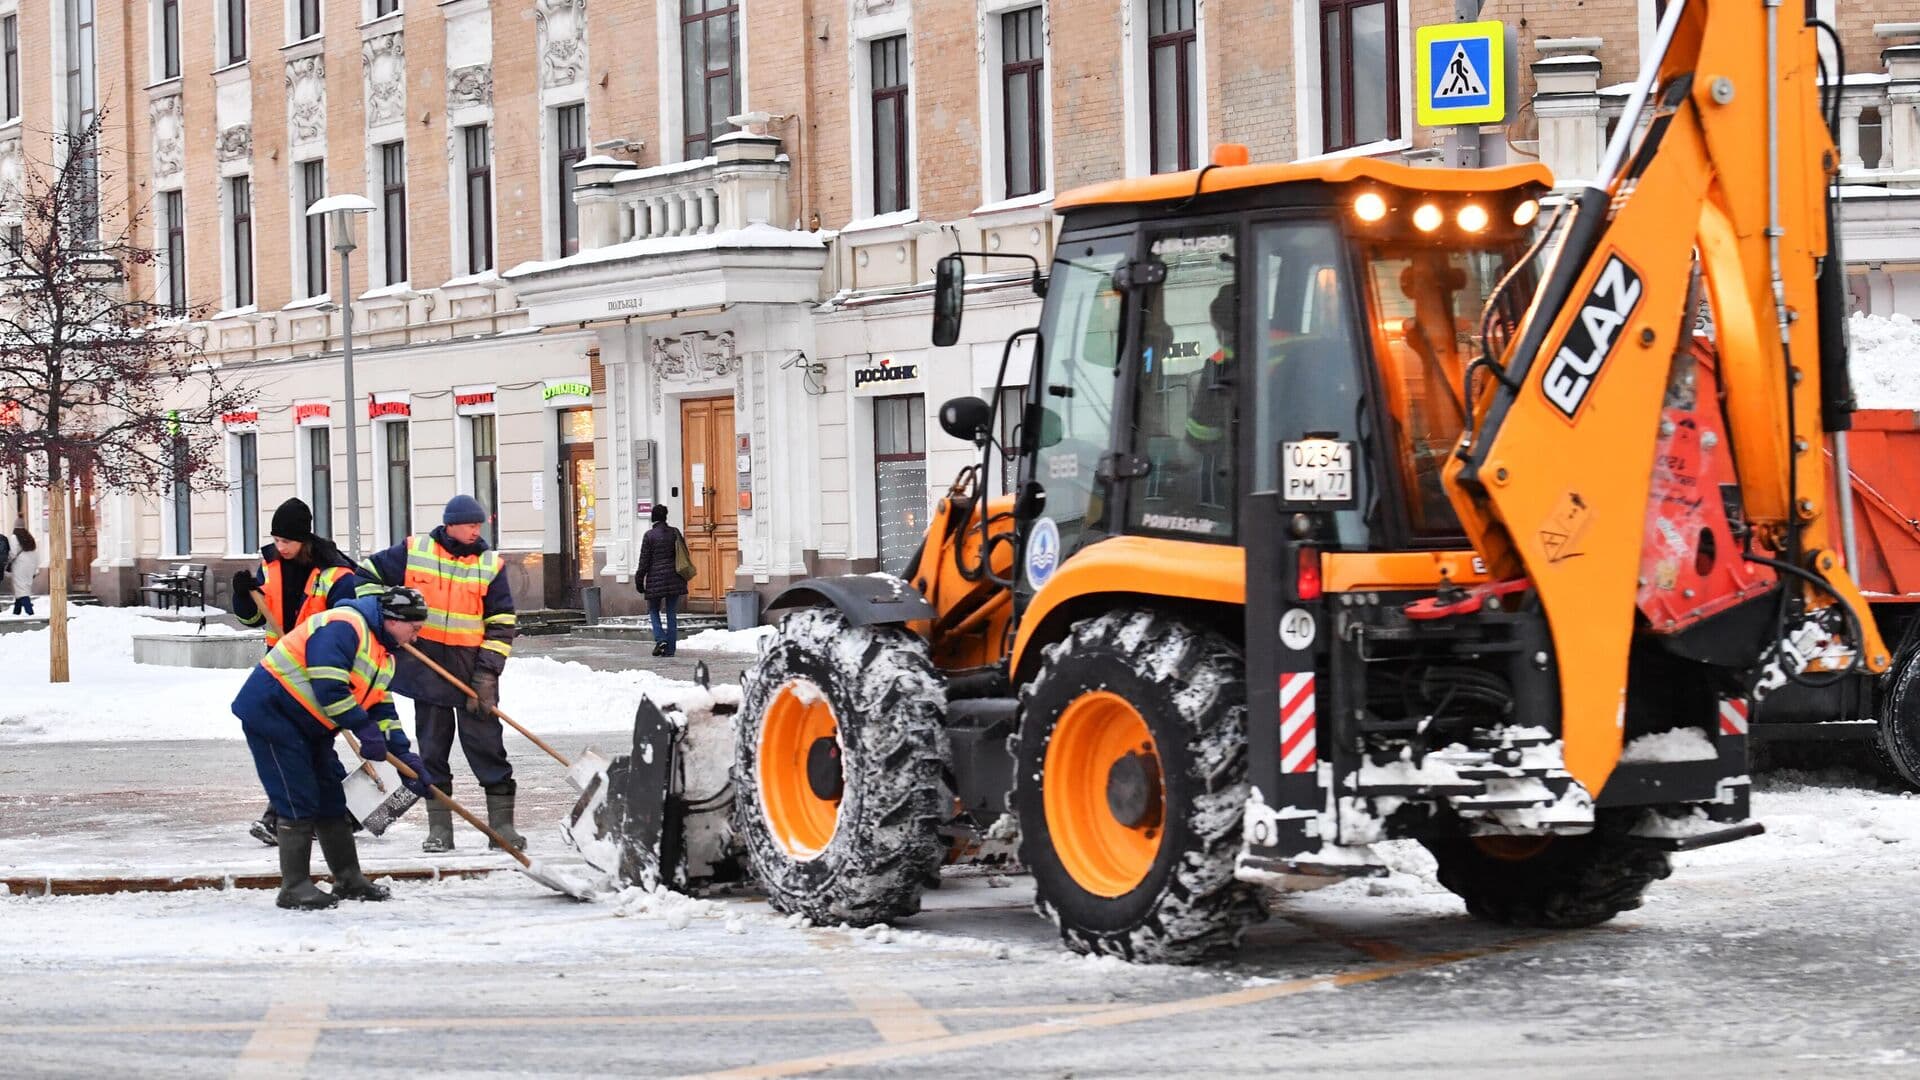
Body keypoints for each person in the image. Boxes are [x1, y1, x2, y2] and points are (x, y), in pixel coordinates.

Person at [229, 587, 436, 910]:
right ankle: (294, 887)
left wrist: (404, 755)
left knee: (331, 798)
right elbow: (328, 684)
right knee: (297, 796)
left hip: (311, 726)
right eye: (415, 627)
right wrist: (363, 729)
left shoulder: (384, 652)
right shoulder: (345, 625)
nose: (417, 636)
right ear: (394, 620)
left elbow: (380, 705)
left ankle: (348, 879)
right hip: (273, 713)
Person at [361, 495, 520, 853]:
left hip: (472, 674)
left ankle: (503, 828)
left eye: (479, 525)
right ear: (449, 524)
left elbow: (501, 622)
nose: (475, 531)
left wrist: (487, 675)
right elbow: (366, 576)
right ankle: (439, 830)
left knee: (488, 748)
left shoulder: (490, 565)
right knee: (432, 752)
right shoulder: (414, 551)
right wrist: (386, 619)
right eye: (469, 524)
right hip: (425, 671)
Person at [232, 498, 376, 847]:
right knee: (304, 743)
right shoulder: (270, 568)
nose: (280, 547)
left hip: (319, 670)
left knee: (305, 743)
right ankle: (337, 811)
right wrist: (242, 596)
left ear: (304, 539)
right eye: (276, 540)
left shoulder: (336, 575)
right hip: (279, 670)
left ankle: (290, 816)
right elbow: (252, 618)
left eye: (286, 542)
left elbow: (349, 625)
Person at [636, 504, 690, 657]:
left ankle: (660, 638)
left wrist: (639, 580)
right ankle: (670, 650)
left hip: (655, 579)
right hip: (674, 577)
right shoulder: (675, 533)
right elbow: (684, 554)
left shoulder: (649, 536)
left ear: (654, 517)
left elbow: (644, 561)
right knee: (671, 612)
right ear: (665, 517)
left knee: (653, 609)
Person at [7, 525, 38, 616]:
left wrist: (7, 561)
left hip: (20, 565)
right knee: (23, 588)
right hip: (30, 565)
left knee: (21, 589)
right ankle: (16, 612)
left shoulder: (14, 537)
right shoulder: (29, 538)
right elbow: (36, 553)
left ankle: (30, 612)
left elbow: (12, 553)